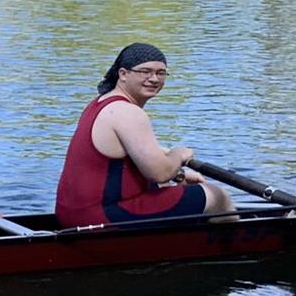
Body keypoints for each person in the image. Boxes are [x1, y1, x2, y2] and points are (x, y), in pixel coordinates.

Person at [55, 42, 233, 228]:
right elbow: (160, 173)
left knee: (166, 187)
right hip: (101, 218)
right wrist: (179, 155)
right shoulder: (128, 112)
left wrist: (179, 175)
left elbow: (136, 156)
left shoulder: (100, 103)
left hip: (71, 214)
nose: (154, 78)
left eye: (161, 73)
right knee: (218, 197)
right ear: (123, 74)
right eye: (145, 71)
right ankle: (234, 251)